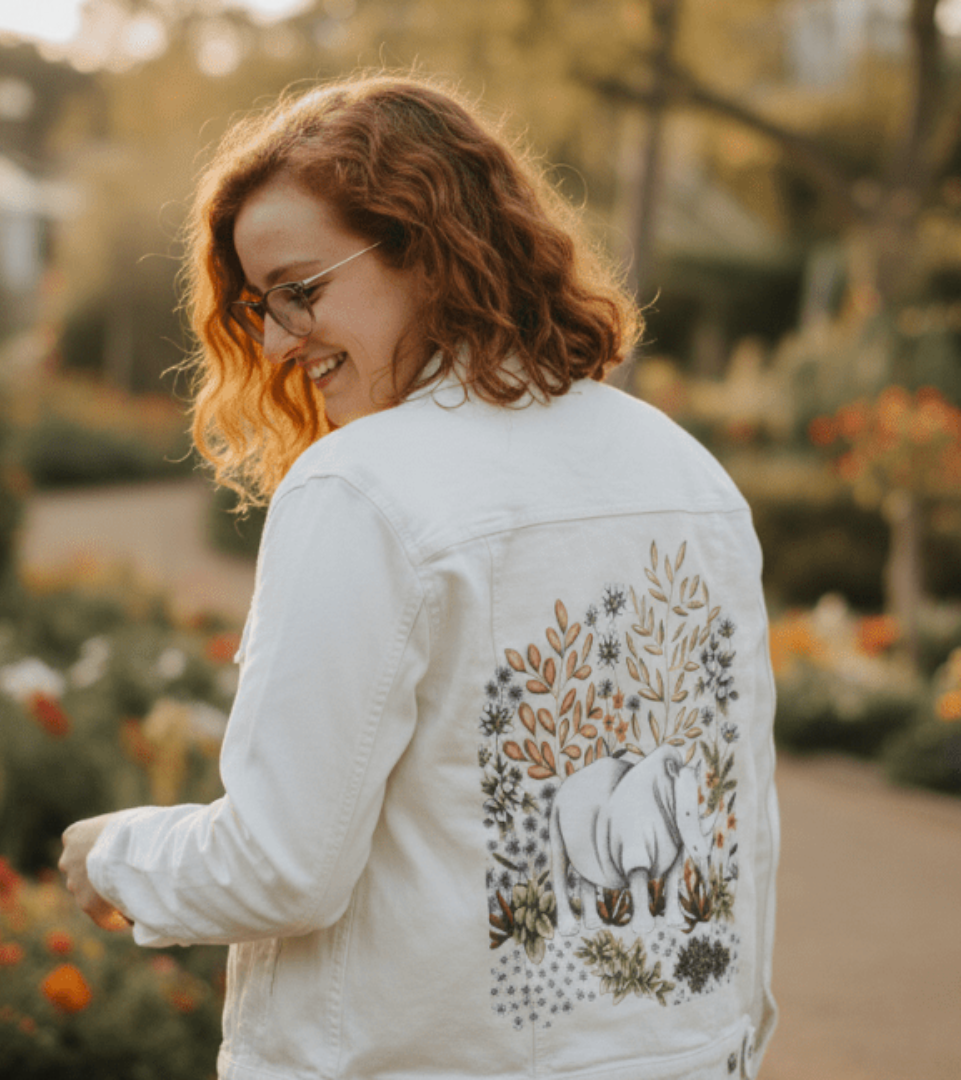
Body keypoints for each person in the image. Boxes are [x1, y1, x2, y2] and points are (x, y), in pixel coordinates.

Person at [60, 73, 779, 1080]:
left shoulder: (362, 487)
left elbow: (279, 870)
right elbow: (732, 843)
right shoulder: (686, 474)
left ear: (430, 250)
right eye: (261, 308)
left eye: (301, 290)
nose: (275, 342)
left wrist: (115, 859)